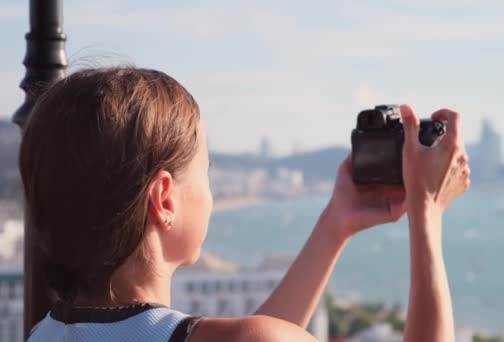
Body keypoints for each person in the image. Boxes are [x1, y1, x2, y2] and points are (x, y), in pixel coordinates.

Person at [20, 67, 470, 342]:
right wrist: (426, 214)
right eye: (206, 170)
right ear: (164, 199)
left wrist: (337, 223)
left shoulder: (44, 333)